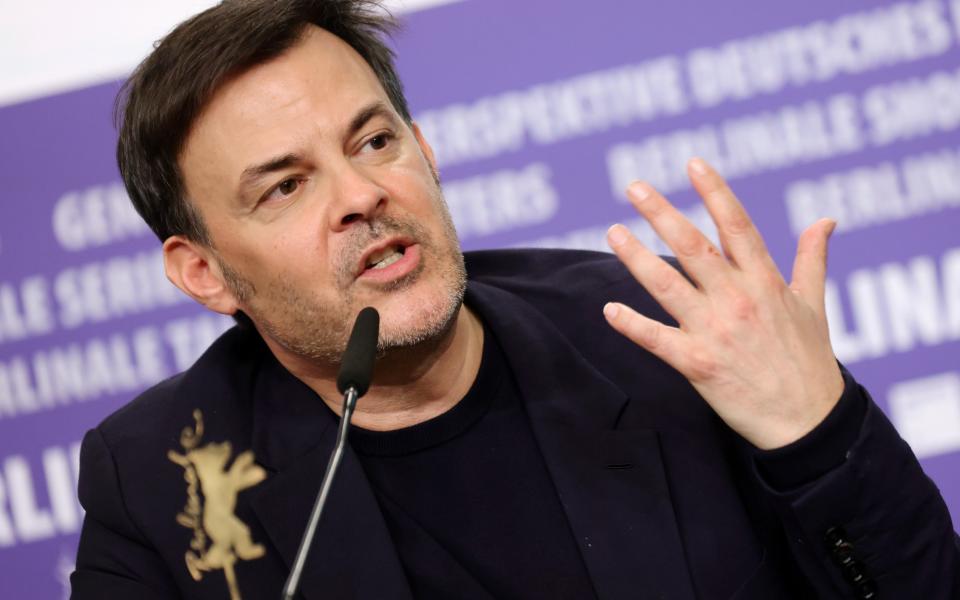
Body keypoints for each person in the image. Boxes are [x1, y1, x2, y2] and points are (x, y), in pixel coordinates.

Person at [71, 1, 959, 598]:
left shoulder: (661, 334)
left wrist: (821, 437)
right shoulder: (160, 479)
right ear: (204, 274)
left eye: (374, 141)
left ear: (423, 150)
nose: (360, 194)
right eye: (285, 187)